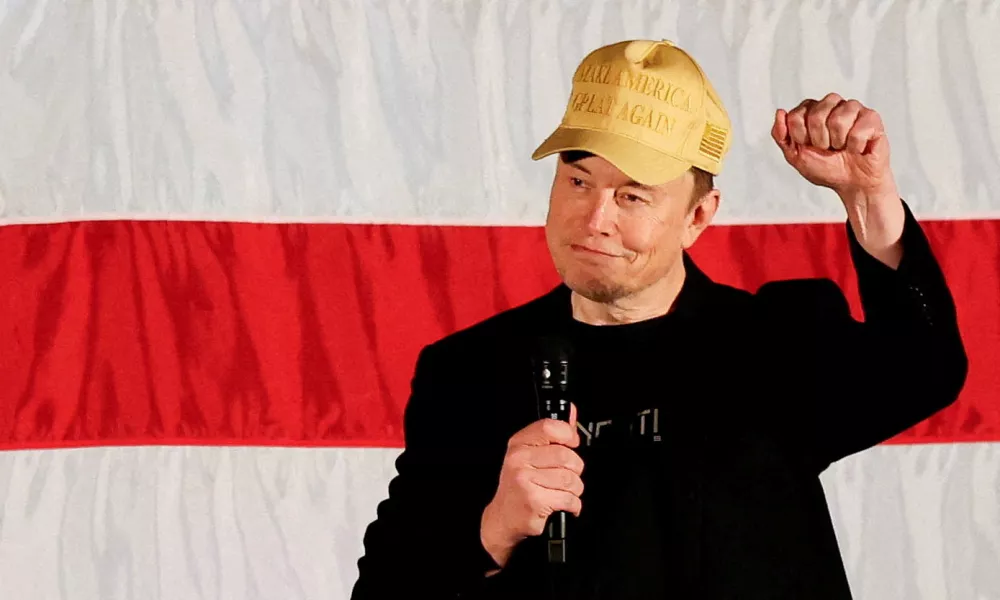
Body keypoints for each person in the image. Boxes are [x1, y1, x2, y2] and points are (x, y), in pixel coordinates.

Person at [349, 39, 968, 599]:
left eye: (633, 195)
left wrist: (867, 195)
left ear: (698, 217)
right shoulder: (469, 370)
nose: (594, 219)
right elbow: (383, 591)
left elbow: (926, 369)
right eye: (578, 180)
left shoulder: (774, 343)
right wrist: (493, 529)